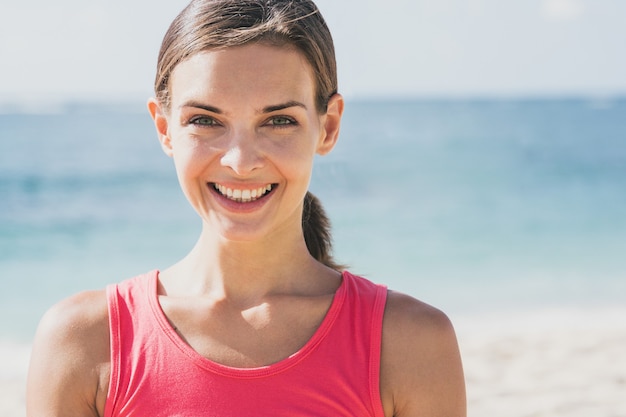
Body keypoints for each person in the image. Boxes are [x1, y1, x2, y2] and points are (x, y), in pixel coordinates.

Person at [26, 0, 466, 416]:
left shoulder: (410, 345)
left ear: (328, 127)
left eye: (278, 120)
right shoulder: (83, 343)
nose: (240, 161)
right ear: (164, 128)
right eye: (205, 120)